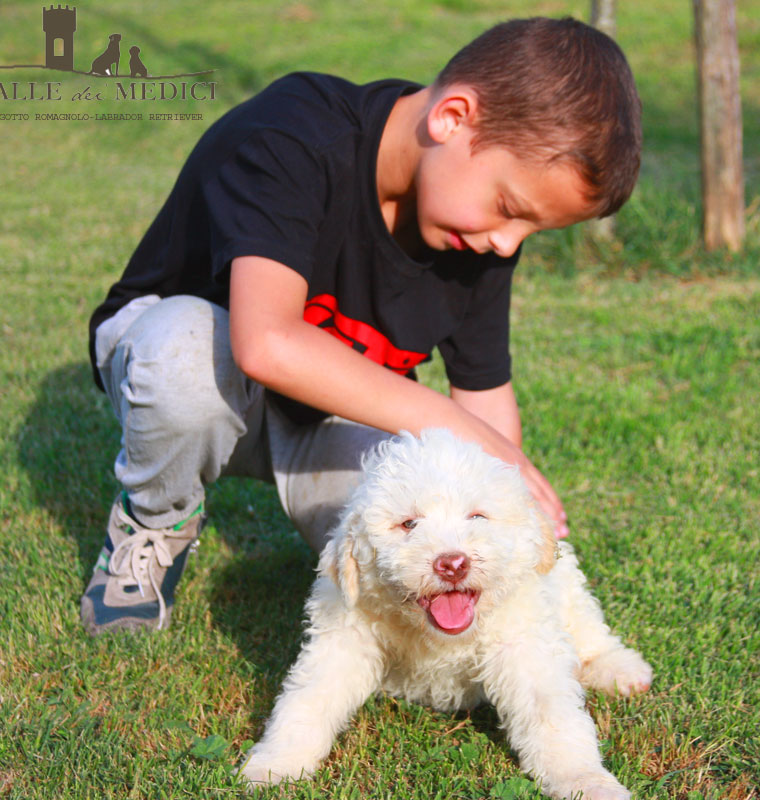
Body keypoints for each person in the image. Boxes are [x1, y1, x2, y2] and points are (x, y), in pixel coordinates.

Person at [80, 16, 642, 635]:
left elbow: (483, 399)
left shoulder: (477, 233)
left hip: (326, 417)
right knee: (183, 351)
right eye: (510, 209)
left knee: (414, 540)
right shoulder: (294, 134)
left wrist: (508, 530)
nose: (508, 245)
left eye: (530, 230)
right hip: (193, 373)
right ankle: (154, 522)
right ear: (452, 117)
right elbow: (264, 343)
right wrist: (456, 425)